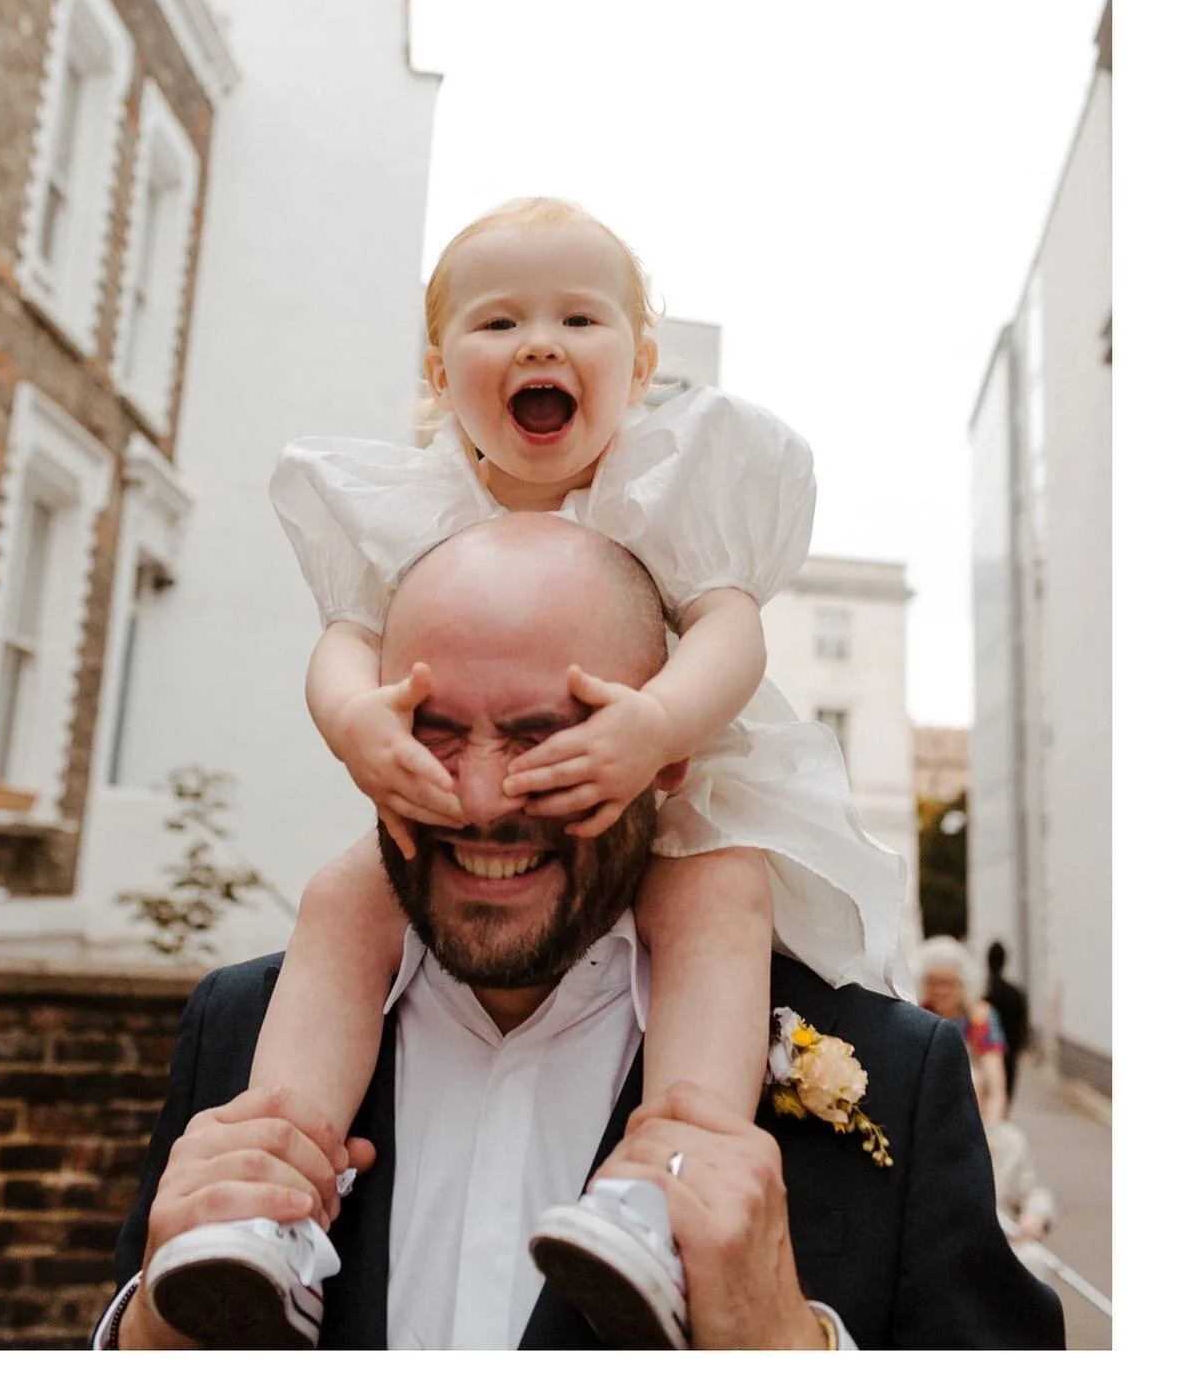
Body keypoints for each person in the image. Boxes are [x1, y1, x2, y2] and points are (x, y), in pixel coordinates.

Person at [94, 516, 1064, 1349]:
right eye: (432, 730)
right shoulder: (242, 1032)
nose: (477, 800)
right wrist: (150, 1340)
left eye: (540, 737)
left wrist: (781, 1348)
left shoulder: (894, 1074)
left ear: (670, 755)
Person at [968, 1061, 1058, 1290]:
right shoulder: (931, 1143)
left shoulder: (1010, 1141)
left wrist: (1035, 1214)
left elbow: (1033, 1191)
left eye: (974, 1095)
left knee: (1034, 1260)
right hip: (954, 1245)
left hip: (1004, 1240)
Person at [916, 937, 1009, 1125]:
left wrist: (990, 1131)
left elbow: (996, 1086)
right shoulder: (915, 1016)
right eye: (934, 982)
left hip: (973, 1119)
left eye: (949, 983)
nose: (941, 990)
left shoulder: (980, 1018)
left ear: (964, 984)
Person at [985, 941, 1030, 1105]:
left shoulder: (984, 992)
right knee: (1005, 1091)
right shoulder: (1015, 993)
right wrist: (1022, 1046)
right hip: (1010, 1050)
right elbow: (1022, 1024)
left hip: (987, 1051)